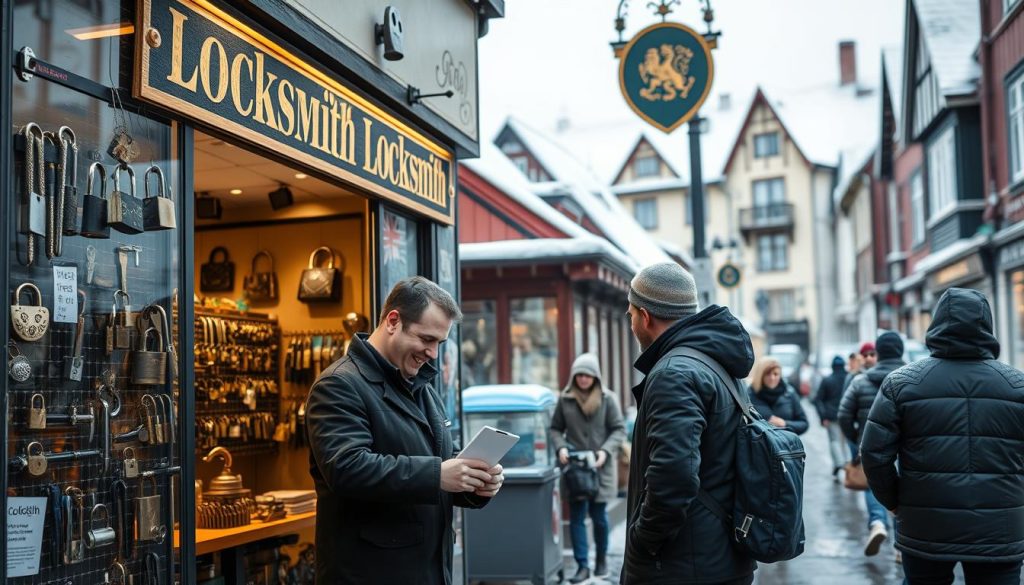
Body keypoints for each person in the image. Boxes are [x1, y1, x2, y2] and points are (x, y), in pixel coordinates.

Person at [305, 276, 504, 584]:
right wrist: (438, 473)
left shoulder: (420, 385)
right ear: (393, 321)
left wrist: (475, 482)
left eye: (439, 343)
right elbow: (345, 468)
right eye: (426, 339)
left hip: (426, 570)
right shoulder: (338, 384)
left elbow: (438, 459)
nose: (433, 354)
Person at [861, 288, 1024, 584]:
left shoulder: (902, 383)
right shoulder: (1017, 386)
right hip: (1000, 529)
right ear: (987, 326)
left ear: (936, 324)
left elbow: (873, 454)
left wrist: (896, 502)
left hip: (925, 526)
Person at [622, 262, 756, 585]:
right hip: (719, 557)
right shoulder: (713, 361)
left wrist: (642, 544)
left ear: (645, 316)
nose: (631, 324)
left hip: (683, 567)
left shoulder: (673, 374)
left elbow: (674, 478)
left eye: (630, 315)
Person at [550, 353, 626, 583]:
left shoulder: (608, 399)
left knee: (600, 517)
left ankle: (601, 558)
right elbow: (555, 429)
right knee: (577, 517)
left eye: (588, 375)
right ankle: (582, 565)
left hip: (601, 468)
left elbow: (618, 430)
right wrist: (561, 447)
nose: (583, 379)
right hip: (575, 470)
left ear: (596, 377)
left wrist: (605, 451)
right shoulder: (565, 399)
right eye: (580, 375)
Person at [838, 331, 905, 557]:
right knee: (905, 488)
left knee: (873, 481)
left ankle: (877, 522)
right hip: (907, 447)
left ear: (879, 352)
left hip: (870, 442)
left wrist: (856, 436)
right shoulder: (915, 378)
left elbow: (843, 415)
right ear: (900, 351)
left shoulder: (860, 381)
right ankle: (901, 544)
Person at [748, 356, 809, 435]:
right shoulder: (749, 395)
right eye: (768, 374)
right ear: (760, 375)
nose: (772, 378)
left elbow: (804, 423)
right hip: (758, 445)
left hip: (785, 445)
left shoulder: (789, 393)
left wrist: (785, 424)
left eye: (776, 374)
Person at [814, 356, 849, 480]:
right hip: (847, 415)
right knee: (845, 442)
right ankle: (843, 465)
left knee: (834, 441)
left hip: (831, 416)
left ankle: (840, 463)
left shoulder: (827, 380)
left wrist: (823, 416)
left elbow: (818, 399)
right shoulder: (849, 378)